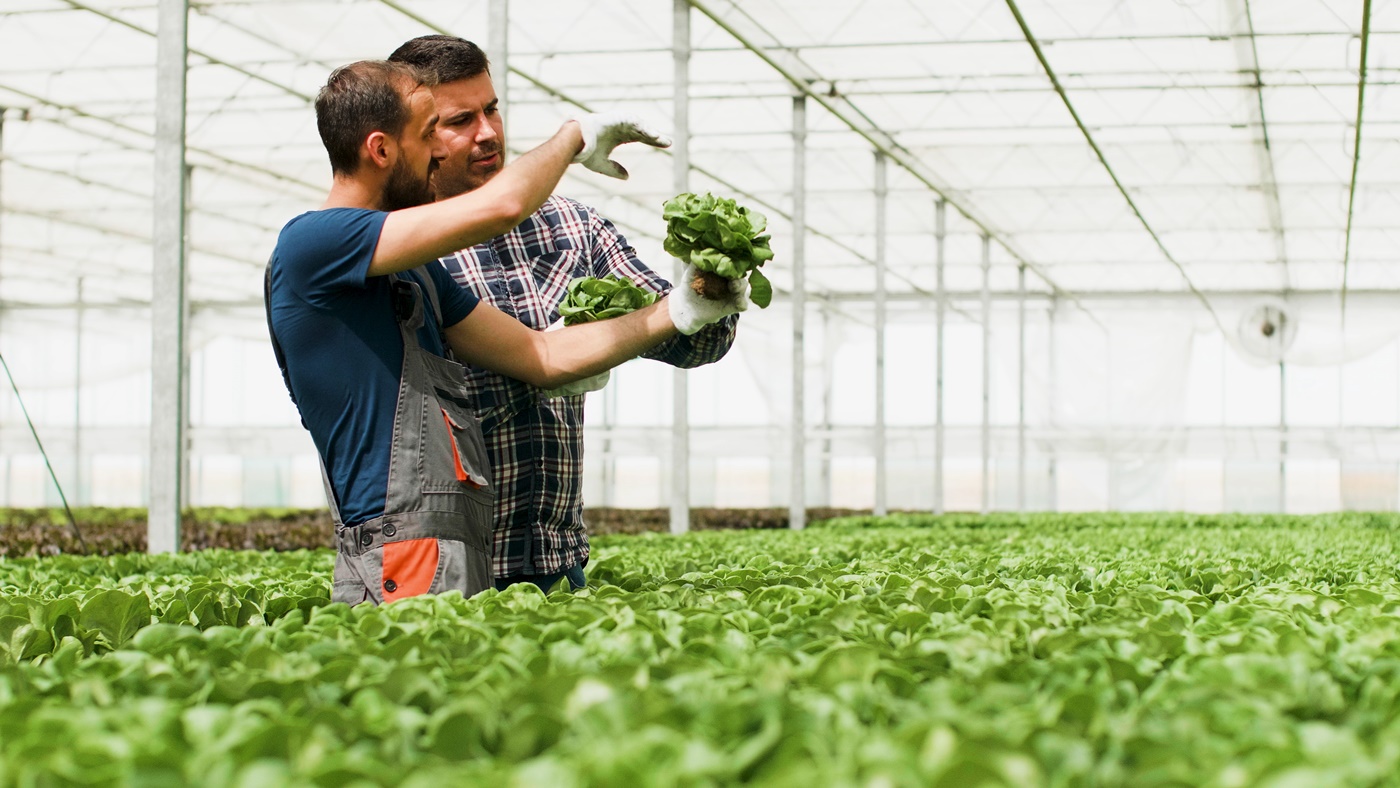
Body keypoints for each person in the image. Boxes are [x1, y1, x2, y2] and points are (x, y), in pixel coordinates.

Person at [265, 60, 745, 605]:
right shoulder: (314, 243)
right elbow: (503, 206)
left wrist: (681, 308)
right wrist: (574, 137)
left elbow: (540, 353)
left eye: (491, 110)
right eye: (431, 135)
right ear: (380, 150)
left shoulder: (416, 273)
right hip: (401, 545)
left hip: (457, 543)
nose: (440, 153)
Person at [387, 36, 739, 594]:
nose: (487, 132)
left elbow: (691, 341)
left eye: (492, 109)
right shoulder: (395, 243)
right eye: (460, 120)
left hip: (555, 560)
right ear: (416, 133)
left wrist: (705, 293)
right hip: (443, 570)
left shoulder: (573, 226)